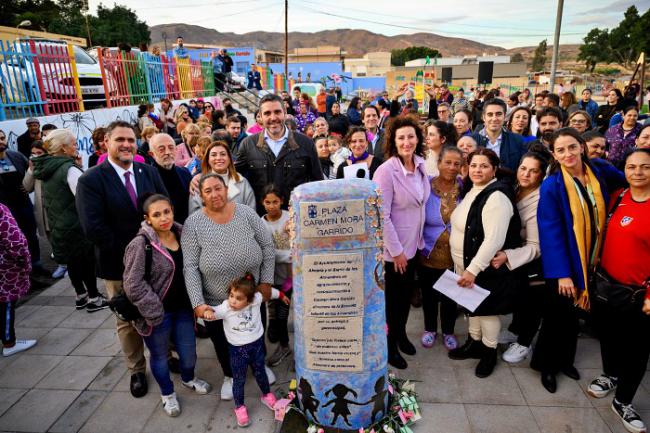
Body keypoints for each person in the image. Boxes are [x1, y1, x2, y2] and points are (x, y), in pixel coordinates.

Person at [76, 120, 168, 398]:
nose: (127, 145)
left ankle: (166, 355)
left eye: (131, 139)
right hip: (119, 266)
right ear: (106, 142)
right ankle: (137, 370)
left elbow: (163, 209)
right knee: (127, 318)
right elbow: (94, 228)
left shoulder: (148, 171)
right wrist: (134, 258)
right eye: (120, 140)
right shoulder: (91, 179)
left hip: (157, 262)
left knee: (161, 309)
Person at [531, 128, 625, 394]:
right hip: (564, 263)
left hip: (594, 260)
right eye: (560, 150)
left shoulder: (598, 170)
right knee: (555, 316)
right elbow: (550, 230)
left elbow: (627, 183)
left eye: (572, 147)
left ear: (582, 146)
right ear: (554, 154)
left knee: (574, 316)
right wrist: (562, 274)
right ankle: (547, 366)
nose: (568, 154)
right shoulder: (553, 185)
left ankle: (565, 361)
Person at [182, 173, 276, 401]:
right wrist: (197, 302)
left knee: (255, 331)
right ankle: (230, 375)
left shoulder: (245, 212)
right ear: (201, 196)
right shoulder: (193, 224)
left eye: (218, 188)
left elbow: (267, 246)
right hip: (214, 297)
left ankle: (258, 365)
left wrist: (266, 281)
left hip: (251, 294)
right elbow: (190, 267)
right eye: (208, 191)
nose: (215, 194)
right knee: (222, 340)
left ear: (226, 189)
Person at [123, 194, 211, 417]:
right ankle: (167, 393)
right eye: (156, 214)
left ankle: (188, 378)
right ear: (147, 218)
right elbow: (133, 284)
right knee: (160, 355)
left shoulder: (183, 234)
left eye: (166, 212)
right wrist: (154, 311)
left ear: (172, 211)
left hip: (183, 309)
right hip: (158, 315)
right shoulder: (141, 244)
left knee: (188, 352)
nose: (163, 218)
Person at [587, 148, 650, 433]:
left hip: (641, 294)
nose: (637, 172)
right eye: (632, 166)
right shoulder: (618, 198)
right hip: (608, 286)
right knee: (609, 336)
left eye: (645, 167)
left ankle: (624, 401)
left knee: (637, 349)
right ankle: (609, 374)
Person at [447, 148, 524, 378]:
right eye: (473, 165)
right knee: (472, 306)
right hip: (465, 263)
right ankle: (474, 342)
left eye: (484, 166)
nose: (477, 170)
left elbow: (494, 240)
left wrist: (472, 270)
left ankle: (489, 351)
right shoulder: (475, 189)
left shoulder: (497, 196)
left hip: (481, 267)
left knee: (487, 311)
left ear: (494, 169)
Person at [373, 115, 430, 369]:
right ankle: (390, 345)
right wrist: (396, 252)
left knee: (406, 297)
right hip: (394, 252)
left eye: (410, 136)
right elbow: (381, 215)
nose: (406, 142)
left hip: (414, 245)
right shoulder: (386, 171)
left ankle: (402, 334)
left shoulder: (421, 165)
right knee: (393, 303)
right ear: (393, 142)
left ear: (417, 139)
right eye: (401, 138)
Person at [33, 129, 109, 312]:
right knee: (86, 260)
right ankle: (94, 298)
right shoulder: (68, 168)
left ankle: (81, 295)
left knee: (72, 261)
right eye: (73, 144)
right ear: (63, 148)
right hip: (76, 224)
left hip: (59, 223)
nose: (76, 147)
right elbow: (84, 198)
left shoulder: (46, 167)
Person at [204, 274, 285, 427]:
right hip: (238, 351)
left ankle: (267, 395)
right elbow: (213, 312)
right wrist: (207, 312)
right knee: (239, 380)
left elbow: (269, 293)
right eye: (231, 295)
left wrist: (281, 295)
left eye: (238, 298)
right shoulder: (226, 307)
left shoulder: (256, 300)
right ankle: (240, 407)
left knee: (260, 372)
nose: (233, 300)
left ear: (249, 299)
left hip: (257, 346)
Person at [495, 152, 548, 364]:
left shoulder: (541, 200)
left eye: (533, 170)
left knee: (532, 303)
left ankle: (525, 342)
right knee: (519, 299)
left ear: (541, 174)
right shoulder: (515, 189)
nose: (526, 174)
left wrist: (507, 255)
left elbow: (536, 246)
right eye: (523, 168)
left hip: (532, 259)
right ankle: (515, 331)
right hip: (517, 257)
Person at [235, 94, 322, 215]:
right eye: (267, 113)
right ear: (260, 116)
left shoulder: (305, 143)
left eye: (277, 112)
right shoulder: (248, 144)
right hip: (261, 221)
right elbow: (233, 176)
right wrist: (201, 175)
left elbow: (317, 182)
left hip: (296, 218)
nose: (273, 117)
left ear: (285, 113)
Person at [418, 146, 463, 351]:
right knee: (429, 295)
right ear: (439, 163)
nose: (452, 167)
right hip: (428, 250)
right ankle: (429, 329)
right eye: (448, 162)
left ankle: (448, 331)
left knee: (450, 296)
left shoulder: (465, 187)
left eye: (456, 164)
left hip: (454, 254)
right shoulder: (425, 185)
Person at [259, 185, 293, 367]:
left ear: (281, 201)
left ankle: (284, 346)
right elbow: (266, 253)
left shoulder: (290, 218)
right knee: (276, 310)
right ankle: (283, 343)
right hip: (271, 277)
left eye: (275, 202)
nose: (271, 206)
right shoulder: (260, 224)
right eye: (267, 202)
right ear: (262, 202)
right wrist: (287, 255)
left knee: (283, 313)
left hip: (290, 277)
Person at [0, 129, 42, 274]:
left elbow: (32, 172)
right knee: (12, 241)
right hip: (4, 210)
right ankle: (20, 271)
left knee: (31, 235)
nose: (1, 141)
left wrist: (28, 188)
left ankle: (36, 265)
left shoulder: (16, 156)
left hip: (23, 204)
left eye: (2, 138)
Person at [0, 203, 36, 356]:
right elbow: (16, 241)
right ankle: (9, 343)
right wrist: (25, 264)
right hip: (5, 269)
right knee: (6, 303)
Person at [190, 141, 255, 214]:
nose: (218, 158)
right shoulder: (198, 183)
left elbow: (251, 213)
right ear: (208, 159)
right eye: (214, 155)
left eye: (223, 154)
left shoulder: (242, 182)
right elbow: (194, 215)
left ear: (229, 158)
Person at [472, 99, 527, 173]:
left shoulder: (518, 141)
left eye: (498, 114)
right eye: (490, 114)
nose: (494, 119)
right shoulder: (472, 140)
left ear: (504, 116)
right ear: (483, 117)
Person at [148, 134, 192, 223]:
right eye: (161, 149)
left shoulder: (185, 173)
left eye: (171, 148)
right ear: (151, 154)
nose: (168, 152)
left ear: (176, 150)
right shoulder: (147, 177)